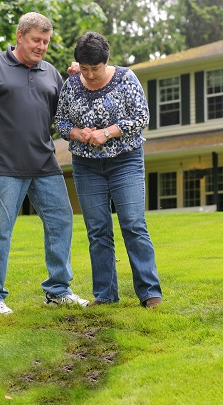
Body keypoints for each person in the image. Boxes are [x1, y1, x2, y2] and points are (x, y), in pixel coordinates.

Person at [0, 12, 89, 314]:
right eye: (36, 40)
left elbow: (65, 114)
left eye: (45, 41)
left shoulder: (50, 73)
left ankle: (58, 290)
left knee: (61, 222)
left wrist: (79, 78)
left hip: (45, 163)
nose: (42, 46)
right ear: (20, 36)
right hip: (3, 165)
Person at [55, 32, 162, 308]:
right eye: (85, 68)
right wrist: (77, 133)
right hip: (86, 165)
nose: (90, 75)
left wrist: (106, 132)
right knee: (98, 230)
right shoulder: (71, 85)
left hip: (125, 160)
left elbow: (141, 116)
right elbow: (61, 122)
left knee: (133, 224)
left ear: (106, 61)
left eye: (96, 68)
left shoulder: (126, 79)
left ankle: (150, 293)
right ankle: (105, 295)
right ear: (78, 63)